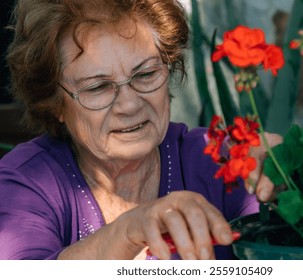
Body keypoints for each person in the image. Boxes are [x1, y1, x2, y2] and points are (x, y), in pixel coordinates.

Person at [0, 0, 280, 260]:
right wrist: (127, 232)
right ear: (55, 103)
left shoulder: (218, 161)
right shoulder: (25, 183)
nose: (130, 105)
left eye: (146, 74)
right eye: (97, 87)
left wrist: (286, 177)